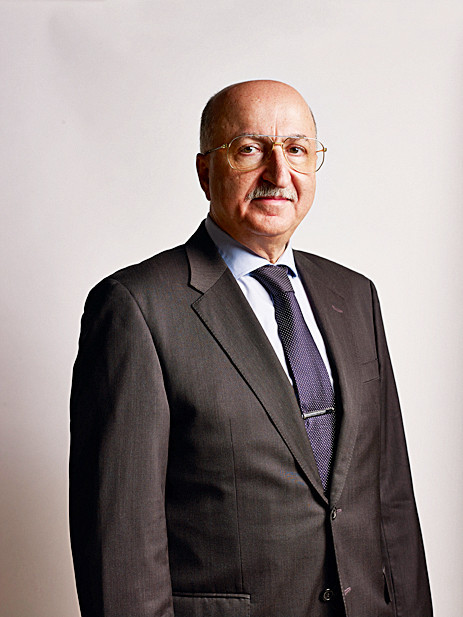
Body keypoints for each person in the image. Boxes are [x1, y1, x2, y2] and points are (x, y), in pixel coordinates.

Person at [70, 80, 433, 617]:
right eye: (249, 149)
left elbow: (391, 498)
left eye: (297, 149)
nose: (279, 173)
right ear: (205, 172)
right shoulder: (135, 307)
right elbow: (119, 545)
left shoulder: (355, 296)